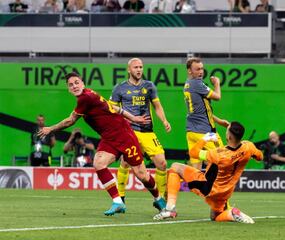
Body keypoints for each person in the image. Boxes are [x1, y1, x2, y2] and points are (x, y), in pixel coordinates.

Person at [38, 72, 166, 216]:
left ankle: (159, 199)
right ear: (68, 89)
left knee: (141, 174)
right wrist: (133, 118)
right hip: (109, 138)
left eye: (76, 82)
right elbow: (114, 107)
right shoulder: (89, 94)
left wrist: (51, 129)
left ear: (82, 83)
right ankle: (118, 202)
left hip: (124, 136)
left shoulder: (86, 98)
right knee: (99, 164)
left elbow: (70, 121)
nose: (74, 86)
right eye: (71, 85)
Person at [153, 122, 263, 223]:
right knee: (215, 217)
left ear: (229, 136)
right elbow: (260, 157)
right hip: (226, 192)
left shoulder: (218, 154)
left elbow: (193, 153)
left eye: (227, 130)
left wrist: (205, 139)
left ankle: (169, 208)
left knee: (175, 167)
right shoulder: (249, 147)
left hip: (209, 187)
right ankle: (232, 214)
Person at [110, 58, 171, 201]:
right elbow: (111, 108)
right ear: (129, 69)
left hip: (147, 131)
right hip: (129, 132)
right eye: (136, 67)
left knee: (162, 163)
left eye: (141, 67)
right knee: (125, 162)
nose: (139, 70)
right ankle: (120, 196)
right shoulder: (120, 88)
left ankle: (161, 198)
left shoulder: (149, 86)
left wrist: (164, 120)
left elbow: (157, 106)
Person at [184, 57, 229, 170]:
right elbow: (217, 97)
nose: (201, 72)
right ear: (190, 71)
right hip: (205, 132)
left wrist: (218, 121)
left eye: (202, 69)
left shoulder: (187, 84)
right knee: (223, 159)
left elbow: (201, 111)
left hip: (191, 132)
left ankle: (200, 186)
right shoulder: (197, 84)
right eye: (197, 69)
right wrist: (217, 84)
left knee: (196, 171)